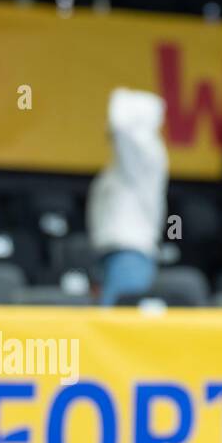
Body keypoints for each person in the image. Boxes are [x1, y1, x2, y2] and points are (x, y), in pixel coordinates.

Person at [86, 89, 168, 305]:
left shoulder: (147, 155)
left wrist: (118, 96)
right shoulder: (118, 167)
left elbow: (121, 125)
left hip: (130, 257)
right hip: (111, 255)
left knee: (115, 330)